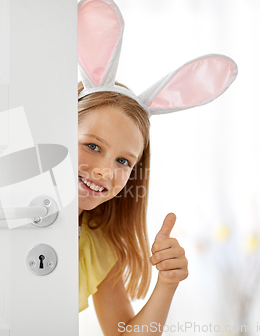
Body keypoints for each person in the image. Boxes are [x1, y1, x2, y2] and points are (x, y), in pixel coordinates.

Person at [77, 0, 238, 335]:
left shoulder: (99, 248)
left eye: (123, 161)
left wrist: (166, 283)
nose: (106, 172)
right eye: (92, 146)